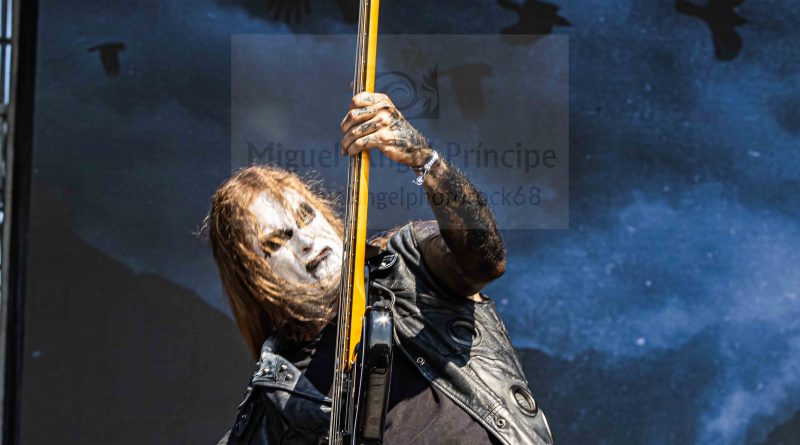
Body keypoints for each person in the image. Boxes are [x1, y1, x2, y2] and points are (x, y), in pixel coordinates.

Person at [208, 92, 554, 445]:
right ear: (255, 276)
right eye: (276, 242)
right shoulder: (274, 403)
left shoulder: (407, 261)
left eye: (306, 216)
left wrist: (425, 159)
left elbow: (485, 260)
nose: (306, 240)